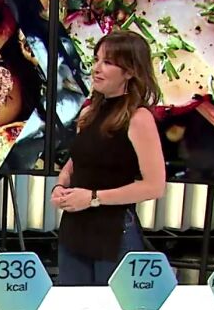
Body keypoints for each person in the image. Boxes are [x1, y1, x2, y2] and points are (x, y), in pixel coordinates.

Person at [52, 30, 165, 285]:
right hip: (74, 229)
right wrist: (60, 186)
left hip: (113, 233)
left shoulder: (138, 119)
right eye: (96, 60)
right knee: (73, 305)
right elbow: (74, 163)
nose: (96, 68)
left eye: (108, 62)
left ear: (130, 71)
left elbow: (154, 186)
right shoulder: (88, 113)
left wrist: (93, 198)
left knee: (110, 308)